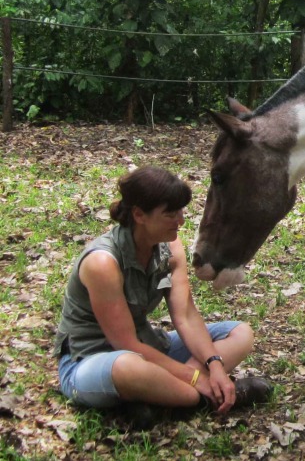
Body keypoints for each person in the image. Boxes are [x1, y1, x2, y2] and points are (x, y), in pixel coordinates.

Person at [54, 166, 272, 427]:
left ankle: (156, 399)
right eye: (170, 213)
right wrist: (194, 377)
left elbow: (186, 316)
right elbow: (126, 344)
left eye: (181, 211)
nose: (180, 220)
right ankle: (209, 398)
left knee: (240, 333)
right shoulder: (102, 263)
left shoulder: (170, 245)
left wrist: (214, 365)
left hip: (149, 347)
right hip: (92, 360)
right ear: (139, 215)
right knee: (128, 368)